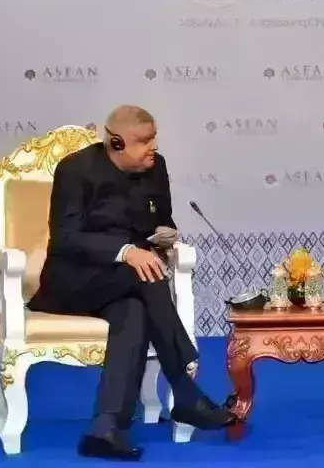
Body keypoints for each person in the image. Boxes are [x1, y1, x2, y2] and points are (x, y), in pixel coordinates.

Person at [27, 105, 235, 461]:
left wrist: (163, 236)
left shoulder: (156, 167)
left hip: (124, 285)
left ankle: (105, 428)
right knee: (141, 273)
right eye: (144, 141)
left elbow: (162, 219)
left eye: (154, 139)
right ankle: (185, 390)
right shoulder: (75, 170)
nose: (153, 147)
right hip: (72, 282)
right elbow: (65, 237)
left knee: (134, 312)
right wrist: (125, 252)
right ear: (116, 143)